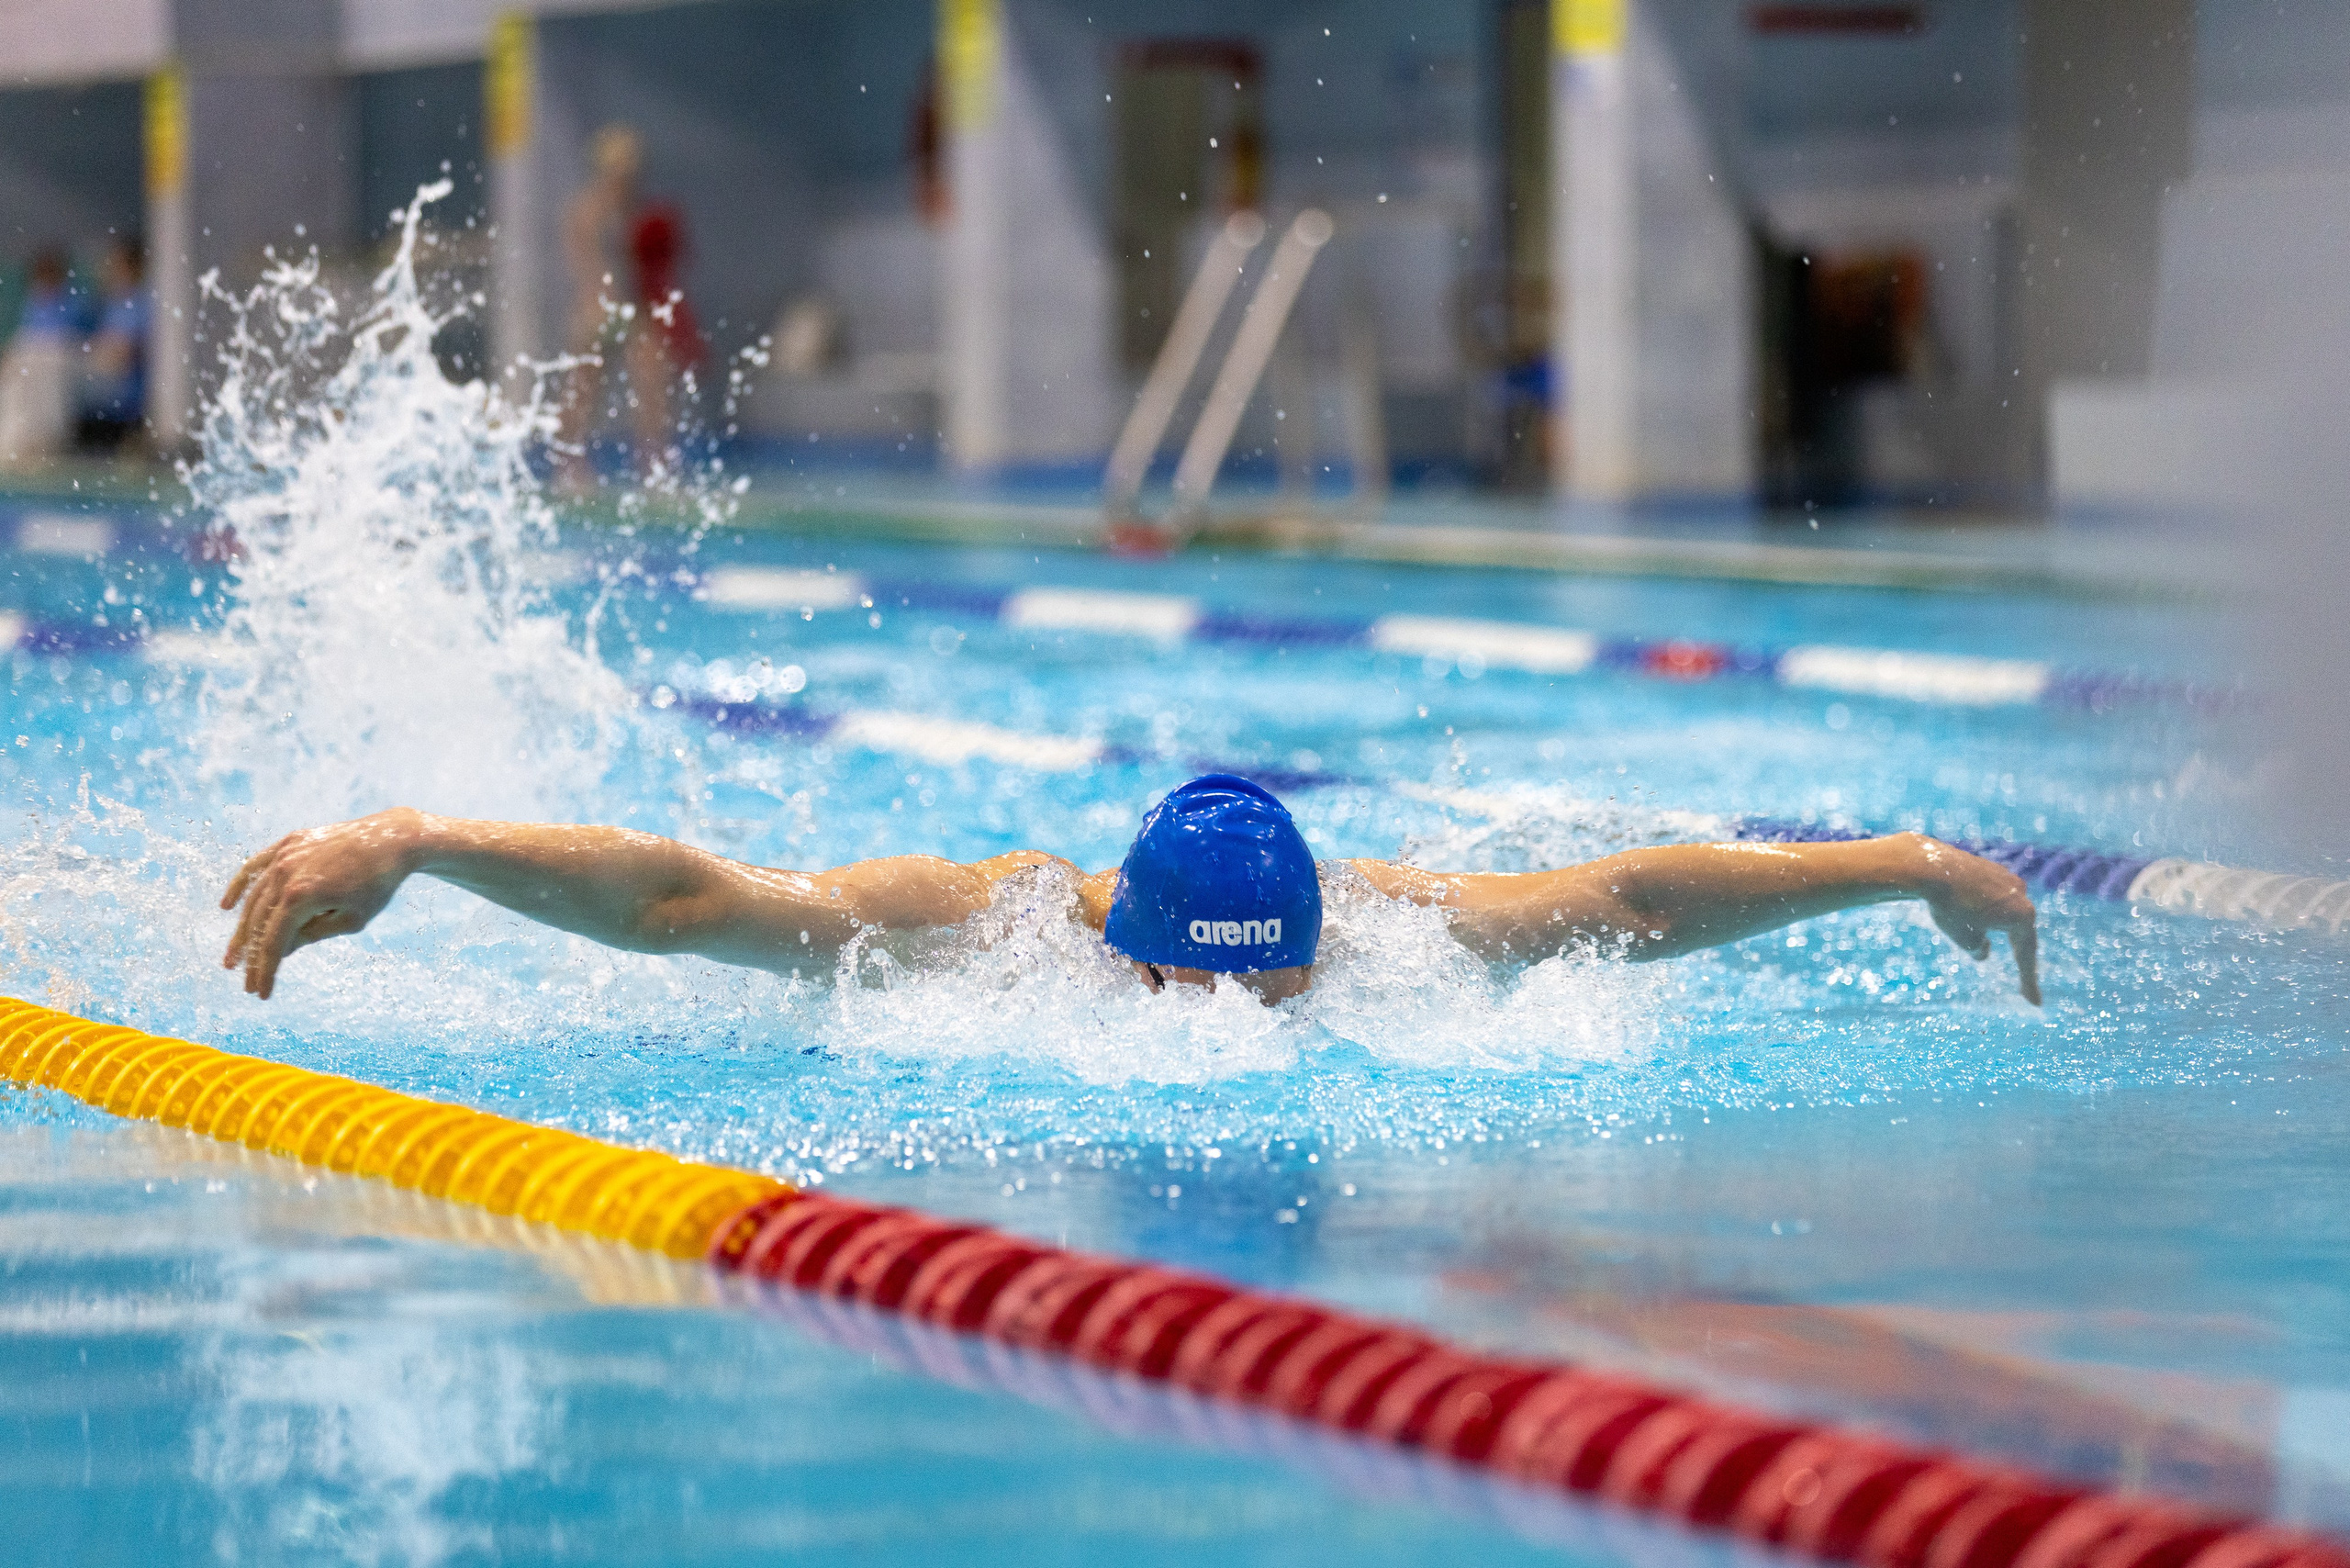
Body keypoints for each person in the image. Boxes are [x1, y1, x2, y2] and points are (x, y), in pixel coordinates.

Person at [219, 774, 2041, 1008]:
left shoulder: (1383, 927)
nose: (1254, 1019)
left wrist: (1901, 867)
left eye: (1280, 986)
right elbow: (688, 898)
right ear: (1135, 952)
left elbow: (1631, 897)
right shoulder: (993, 919)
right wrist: (419, 840)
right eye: (1220, 990)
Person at [554, 124, 700, 491]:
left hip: (635, 310)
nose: (625, 175)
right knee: (584, 391)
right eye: (618, 167)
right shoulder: (588, 212)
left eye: (631, 168)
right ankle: (570, 464)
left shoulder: (640, 213)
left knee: (652, 386)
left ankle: (653, 464)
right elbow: (585, 266)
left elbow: (651, 269)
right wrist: (598, 303)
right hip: (597, 309)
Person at [0, 246, 84, 466]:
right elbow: (26, 338)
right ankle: (17, 439)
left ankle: (45, 438)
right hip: (33, 366)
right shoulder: (34, 303)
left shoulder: (73, 302)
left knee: (39, 368)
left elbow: (73, 341)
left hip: (62, 366)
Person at [75, 234, 150, 454]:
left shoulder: (143, 302)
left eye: (116, 264)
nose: (111, 270)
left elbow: (125, 353)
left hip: (124, 393)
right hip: (102, 385)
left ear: (133, 267)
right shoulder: (110, 304)